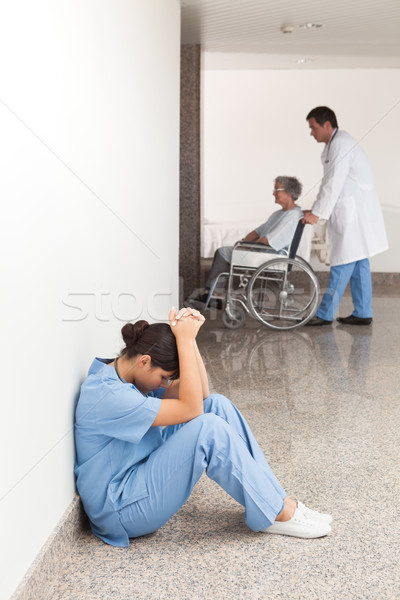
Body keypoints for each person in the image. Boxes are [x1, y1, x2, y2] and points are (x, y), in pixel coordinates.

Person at [74, 307, 332, 547]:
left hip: (138, 477)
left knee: (216, 405)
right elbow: (191, 409)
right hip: (121, 509)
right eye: (164, 377)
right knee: (208, 428)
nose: (164, 385)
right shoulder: (109, 396)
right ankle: (275, 511)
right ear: (144, 361)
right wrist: (183, 342)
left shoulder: (128, 375)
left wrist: (190, 338)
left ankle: (278, 501)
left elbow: (203, 395)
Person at [303, 106, 388, 326]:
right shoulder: (336, 144)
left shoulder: (341, 144)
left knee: (342, 263)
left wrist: (317, 213)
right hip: (353, 213)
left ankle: (324, 314)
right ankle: (363, 312)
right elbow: (329, 183)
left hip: (354, 215)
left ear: (327, 125)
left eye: (313, 128)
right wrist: (315, 210)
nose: (311, 133)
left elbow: (333, 183)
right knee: (359, 262)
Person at [188, 176, 303, 306]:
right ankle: (214, 294)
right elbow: (257, 232)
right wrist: (243, 243)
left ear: (289, 192)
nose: (273, 193)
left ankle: (214, 295)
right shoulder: (278, 214)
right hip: (263, 252)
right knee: (227, 252)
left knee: (222, 253)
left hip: (271, 256)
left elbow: (268, 240)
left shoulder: (292, 215)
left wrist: (248, 247)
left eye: (277, 189)